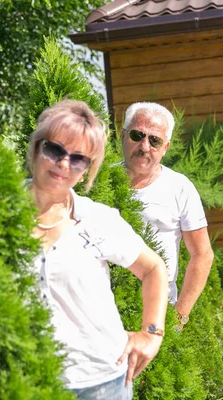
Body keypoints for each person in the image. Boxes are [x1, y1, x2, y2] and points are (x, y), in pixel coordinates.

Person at [26, 99, 168, 399]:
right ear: (37, 147)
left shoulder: (97, 219)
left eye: (79, 159)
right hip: (26, 383)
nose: (64, 164)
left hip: (102, 383)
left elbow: (154, 268)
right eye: (55, 150)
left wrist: (152, 334)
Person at [121, 102, 214, 332]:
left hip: (157, 311)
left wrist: (179, 316)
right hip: (103, 309)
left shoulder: (179, 188)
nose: (144, 146)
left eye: (155, 140)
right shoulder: (101, 181)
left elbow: (202, 254)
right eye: (137, 135)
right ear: (123, 136)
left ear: (165, 147)